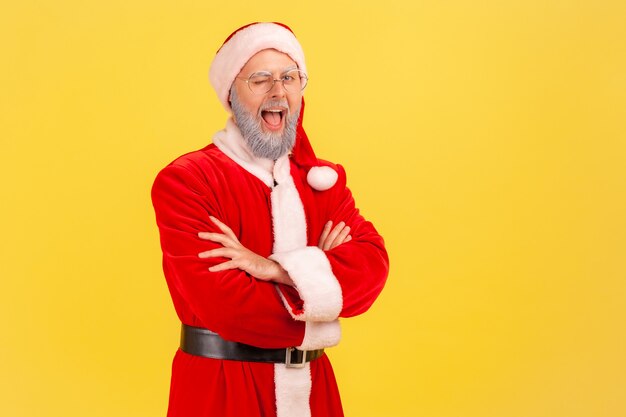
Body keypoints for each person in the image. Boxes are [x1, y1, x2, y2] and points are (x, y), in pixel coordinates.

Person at [151, 22, 389, 417]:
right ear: (231, 93)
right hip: (222, 390)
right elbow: (228, 308)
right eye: (260, 79)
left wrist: (275, 269)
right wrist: (324, 293)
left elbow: (372, 269)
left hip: (315, 392)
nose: (278, 91)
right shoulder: (188, 181)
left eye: (289, 78)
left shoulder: (323, 182)